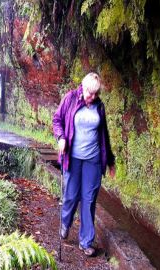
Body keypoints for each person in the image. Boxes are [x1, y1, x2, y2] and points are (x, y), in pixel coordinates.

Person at [52, 72, 116, 256]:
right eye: (90, 93)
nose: (93, 97)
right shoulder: (70, 98)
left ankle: (86, 241)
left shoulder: (99, 107)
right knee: (71, 195)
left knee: (88, 200)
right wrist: (61, 138)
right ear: (83, 87)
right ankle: (65, 222)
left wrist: (110, 160)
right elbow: (57, 120)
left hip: (93, 160)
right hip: (73, 157)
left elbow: (104, 136)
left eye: (96, 94)